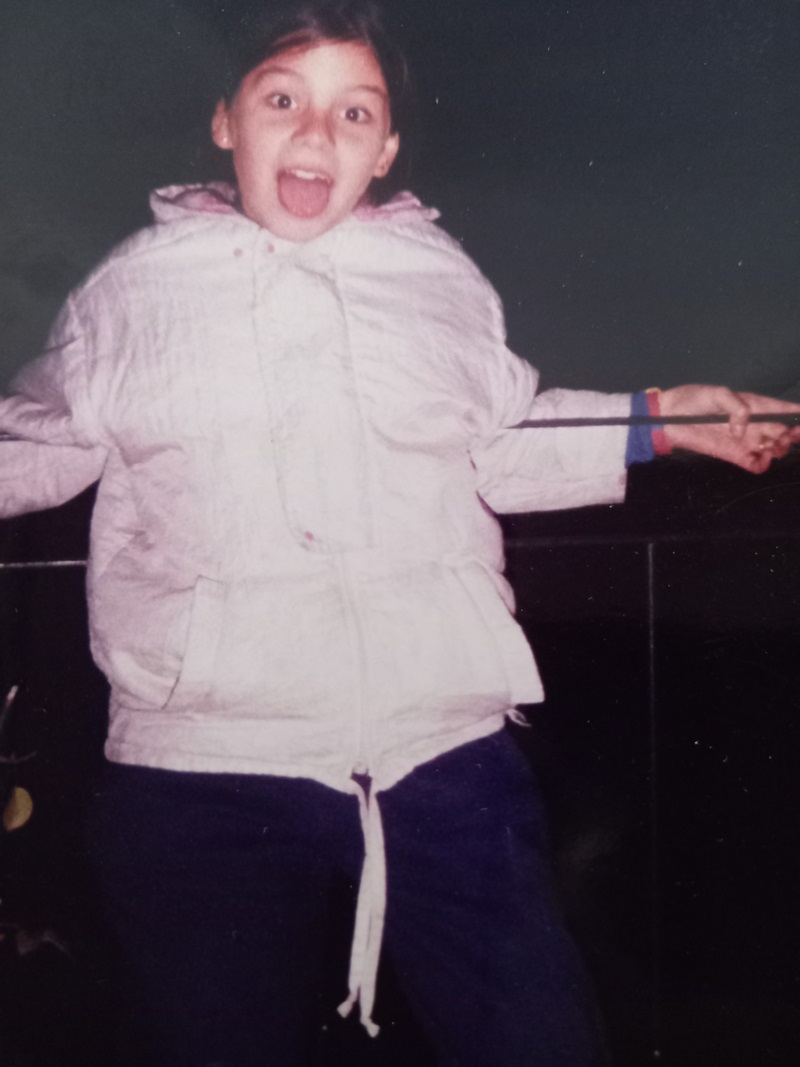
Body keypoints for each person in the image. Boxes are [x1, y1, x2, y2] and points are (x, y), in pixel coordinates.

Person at [1, 2, 798, 1064]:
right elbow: (34, 444)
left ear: (383, 149)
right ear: (226, 122)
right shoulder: (131, 296)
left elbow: (494, 443)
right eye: (282, 99)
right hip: (200, 772)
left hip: (443, 757)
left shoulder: (440, 282)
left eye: (353, 111)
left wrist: (666, 415)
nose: (315, 133)